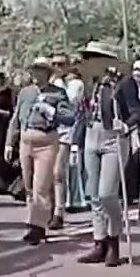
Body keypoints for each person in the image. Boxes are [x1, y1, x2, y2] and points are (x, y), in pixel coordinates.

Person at [74, 42, 140, 267]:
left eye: (91, 58)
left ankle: (114, 240)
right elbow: (82, 114)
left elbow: (138, 113)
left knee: (107, 194)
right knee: (94, 194)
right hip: (91, 136)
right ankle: (99, 242)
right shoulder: (89, 84)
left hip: (113, 139)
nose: (87, 62)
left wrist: (126, 125)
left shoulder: (122, 83)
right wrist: (76, 141)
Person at [6, 57, 75, 245]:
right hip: (26, 140)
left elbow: (70, 117)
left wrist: (52, 112)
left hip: (46, 141)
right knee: (28, 186)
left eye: (40, 70)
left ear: (47, 73)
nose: (36, 74)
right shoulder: (25, 92)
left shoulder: (58, 93)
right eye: (34, 70)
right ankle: (34, 220)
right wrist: (9, 143)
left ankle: (37, 227)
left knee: (41, 186)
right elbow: (16, 118)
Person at [51, 55, 87, 222]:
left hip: (65, 131)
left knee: (58, 172)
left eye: (61, 64)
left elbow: (70, 102)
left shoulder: (76, 84)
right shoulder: (51, 83)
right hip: (48, 131)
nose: (57, 67)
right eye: (54, 64)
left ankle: (59, 211)